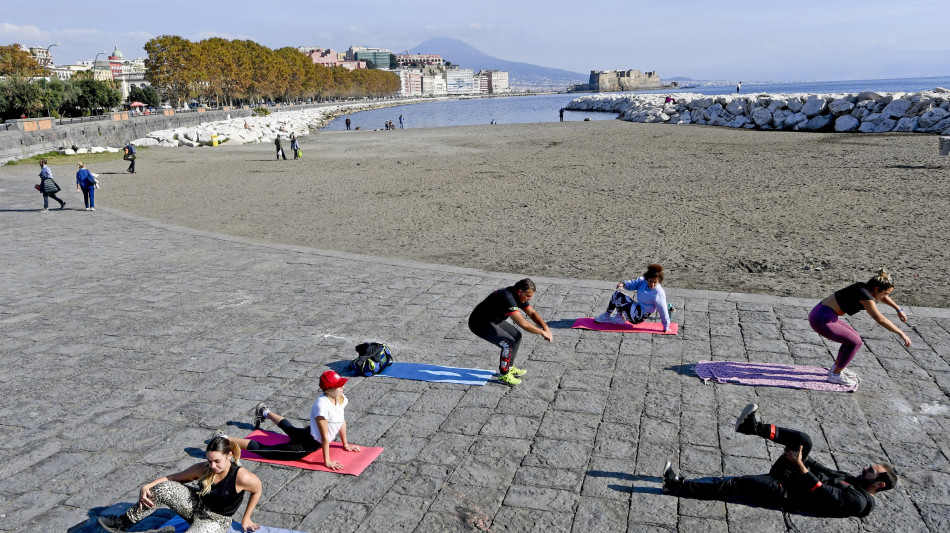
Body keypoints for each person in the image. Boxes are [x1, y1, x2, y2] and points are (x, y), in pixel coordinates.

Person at [663, 403, 897, 518]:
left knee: (737, 485)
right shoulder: (854, 481)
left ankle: (676, 486)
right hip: (795, 476)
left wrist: (800, 465)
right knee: (803, 439)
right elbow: (822, 470)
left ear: (879, 484)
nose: (866, 468)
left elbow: (819, 490)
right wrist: (801, 455)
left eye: (872, 471)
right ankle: (751, 427)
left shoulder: (858, 501)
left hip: (787, 493)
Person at [97, 436, 263, 533]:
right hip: (195, 507)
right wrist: (147, 486)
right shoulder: (203, 469)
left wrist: (246, 517)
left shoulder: (242, 477)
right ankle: (122, 523)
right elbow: (173, 478)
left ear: (229, 455)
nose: (212, 466)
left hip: (216, 521)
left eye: (217, 461)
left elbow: (257, 489)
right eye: (209, 461)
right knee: (162, 489)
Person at [226, 371, 361, 471]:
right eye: (339, 385)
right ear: (328, 389)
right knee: (266, 451)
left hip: (309, 434)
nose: (343, 387)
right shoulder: (322, 406)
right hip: (308, 444)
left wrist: (346, 444)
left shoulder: (340, 397)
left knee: (290, 430)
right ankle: (225, 439)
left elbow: (341, 421)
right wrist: (328, 461)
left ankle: (265, 412)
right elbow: (325, 437)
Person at [810, 269, 911, 386]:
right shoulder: (864, 296)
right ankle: (835, 375)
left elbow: (881, 297)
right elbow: (880, 319)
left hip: (821, 313)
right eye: (886, 293)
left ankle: (837, 367)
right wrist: (901, 333)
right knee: (855, 342)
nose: (886, 296)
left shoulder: (863, 287)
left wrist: (898, 309)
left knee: (854, 338)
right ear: (877, 289)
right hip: (822, 319)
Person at [468, 278, 553, 386]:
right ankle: (504, 375)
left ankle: (509, 367)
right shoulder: (507, 297)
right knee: (508, 342)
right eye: (528, 296)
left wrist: (546, 327)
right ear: (520, 291)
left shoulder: (518, 294)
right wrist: (542, 332)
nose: (529, 299)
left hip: (492, 320)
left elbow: (532, 313)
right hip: (478, 323)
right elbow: (523, 323)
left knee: (516, 336)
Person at [594, 264, 673, 333]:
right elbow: (633, 283)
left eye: (655, 282)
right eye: (650, 281)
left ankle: (614, 317)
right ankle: (616, 317)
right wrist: (623, 284)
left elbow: (663, 311)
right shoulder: (643, 281)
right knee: (617, 294)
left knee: (619, 297)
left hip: (639, 317)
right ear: (647, 279)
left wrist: (666, 327)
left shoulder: (659, 293)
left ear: (659, 281)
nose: (652, 284)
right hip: (637, 308)